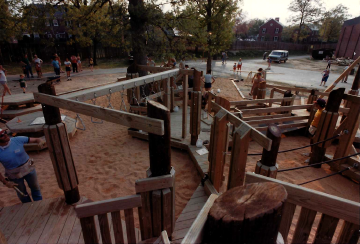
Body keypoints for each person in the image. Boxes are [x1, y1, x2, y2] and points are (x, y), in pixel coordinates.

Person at [0, 129, 45, 203]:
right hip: (14, 175)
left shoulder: (17, 140)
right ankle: (28, 208)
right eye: (1, 135)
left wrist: (40, 141)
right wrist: (5, 182)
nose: (5, 135)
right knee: (22, 194)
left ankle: (39, 204)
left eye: (5, 132)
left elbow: (37, 139)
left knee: (35, 188)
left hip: (28, 168)